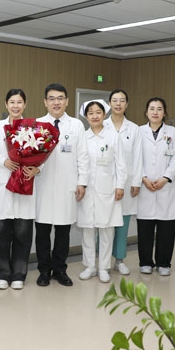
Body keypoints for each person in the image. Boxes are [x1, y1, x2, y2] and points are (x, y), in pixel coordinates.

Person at [34, 83, 89, 287]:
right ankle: (44, 271)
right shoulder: (37, 124)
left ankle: (59, 270)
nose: (56, 102)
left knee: (63, 232)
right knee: (42, 232)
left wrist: (82, 182)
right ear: (45, 102)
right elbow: (31, 155)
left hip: (68, 185)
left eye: (60, 98)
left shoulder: (76, 125)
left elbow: (83, 156)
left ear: (67, 101)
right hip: (43, 185)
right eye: (51, 98)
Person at [0, 89, 39, 290]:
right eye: (12, 102)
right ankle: (2, 274)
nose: (15, 106)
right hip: (3, 182)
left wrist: (37, 168)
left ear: (25, 105)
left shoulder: (33, 127)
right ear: (6, 104)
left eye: (19, 102)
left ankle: (19, 275)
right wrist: (4, 161)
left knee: (22, 234)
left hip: (24, 182)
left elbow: (42, 152)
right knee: (0, 233)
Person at [77, 100, 126, 283]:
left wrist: (120, 185)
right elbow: (78, 163)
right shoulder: (83, 136)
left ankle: (104, 267)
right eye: (91, 113)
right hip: (86, 190)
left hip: (108, 189)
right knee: (87, 230)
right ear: (86, 116)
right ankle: (90, 266)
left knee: (106, 230)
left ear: (104, 114)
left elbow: (121, 163)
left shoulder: (113, 136)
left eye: (98, 112)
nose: (95, 116)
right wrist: (79, 184)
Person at [137, 97, 175, 276]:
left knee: (166, 228)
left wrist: (165, 178)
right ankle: (145, 262)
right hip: (145, 185)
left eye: (159, 109)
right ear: (146, 112)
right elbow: (135, 158)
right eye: (152, 108)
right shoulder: (139, 132)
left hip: (166, 186)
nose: (155, 112)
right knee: (145, 228)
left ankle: (164, 263)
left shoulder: (173, 132)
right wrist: (143, 178)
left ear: (164, 112)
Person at [103, 89, 142, 276]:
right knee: (104, 222)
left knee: (123, 222)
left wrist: (136, 182)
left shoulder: (134, 129)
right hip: (104, 182)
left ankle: (119, 260)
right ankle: (102, 260)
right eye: (115, 100)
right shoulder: (101, 125)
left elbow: (138, 157)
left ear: (127, 104)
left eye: (122, 101)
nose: (118, 104)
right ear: (109, 103)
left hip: (126, 183)